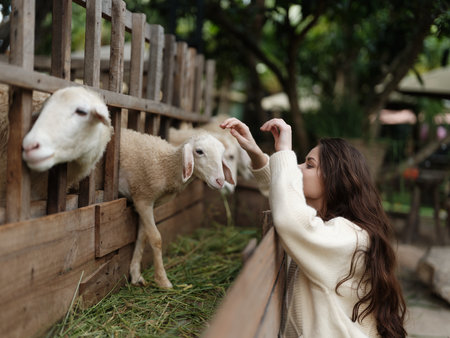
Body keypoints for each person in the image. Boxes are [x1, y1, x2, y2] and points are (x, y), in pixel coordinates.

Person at [220, 117, 406, 338]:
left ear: (335, 180)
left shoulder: (352, 238)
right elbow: (285, 196)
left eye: (309, 165)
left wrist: (285, 151)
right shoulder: (328, 225)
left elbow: (292, 218)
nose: (298, 168)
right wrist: (256, 154)